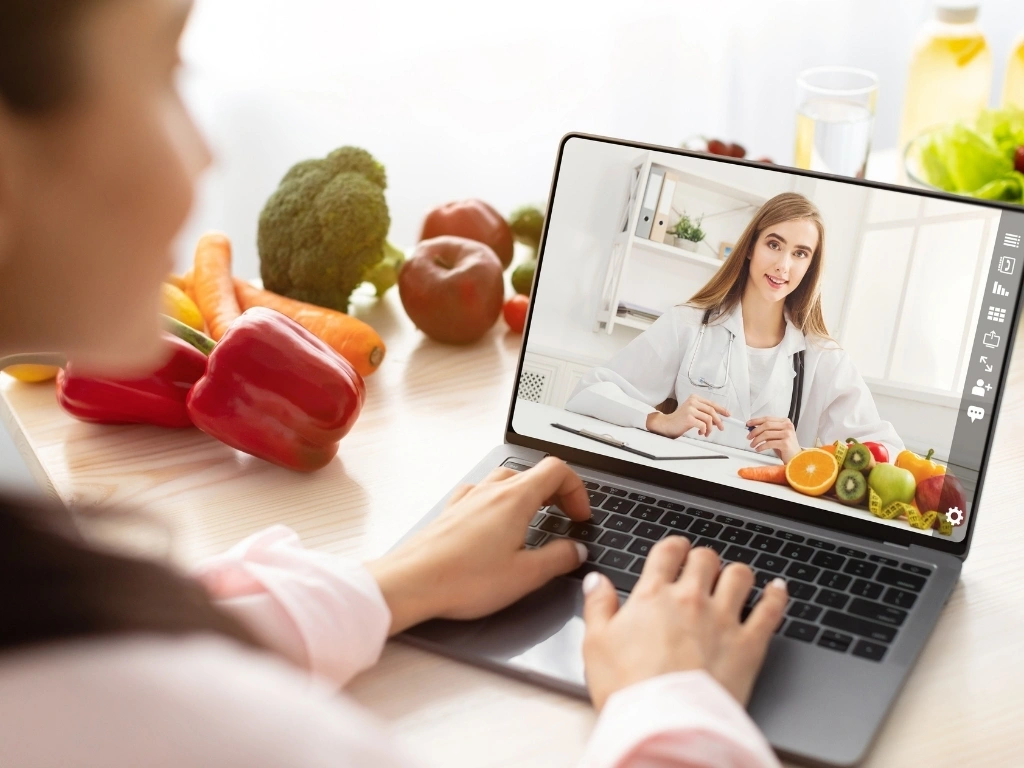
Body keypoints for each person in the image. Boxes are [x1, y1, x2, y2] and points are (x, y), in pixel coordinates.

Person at [0, 1, 789, 766]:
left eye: (799, 257)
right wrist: (671, 700)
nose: (207, 154)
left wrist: (396, 584)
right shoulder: (200, 727)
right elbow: (594, 397)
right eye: (161, 71)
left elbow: (161, 644)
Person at [566, 193, 904, 463]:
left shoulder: (824, 358)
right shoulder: (687, 324)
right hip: (682, 487)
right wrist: (661, 421)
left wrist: (799, 455)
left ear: (810, 267)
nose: (783, 265)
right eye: (774, 244)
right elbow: (589, 392)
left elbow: (886, 451)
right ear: (750, 248)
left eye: (800, 253)